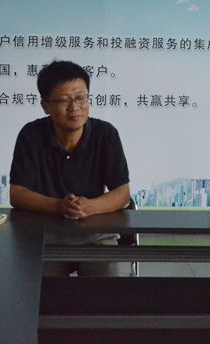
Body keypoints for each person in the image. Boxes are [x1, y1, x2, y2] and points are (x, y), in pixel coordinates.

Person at [9, 60, 130, 277]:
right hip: (46, 236)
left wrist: (89, 207)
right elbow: (17, 194)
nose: (75, 107)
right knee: (40, 291)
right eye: (64, 100)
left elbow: (122, 193)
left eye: (81, 97)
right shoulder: (31, 135)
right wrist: (59, 206)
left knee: (106, 291)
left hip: (96, 235)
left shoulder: (106, 134)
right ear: (45, 106)